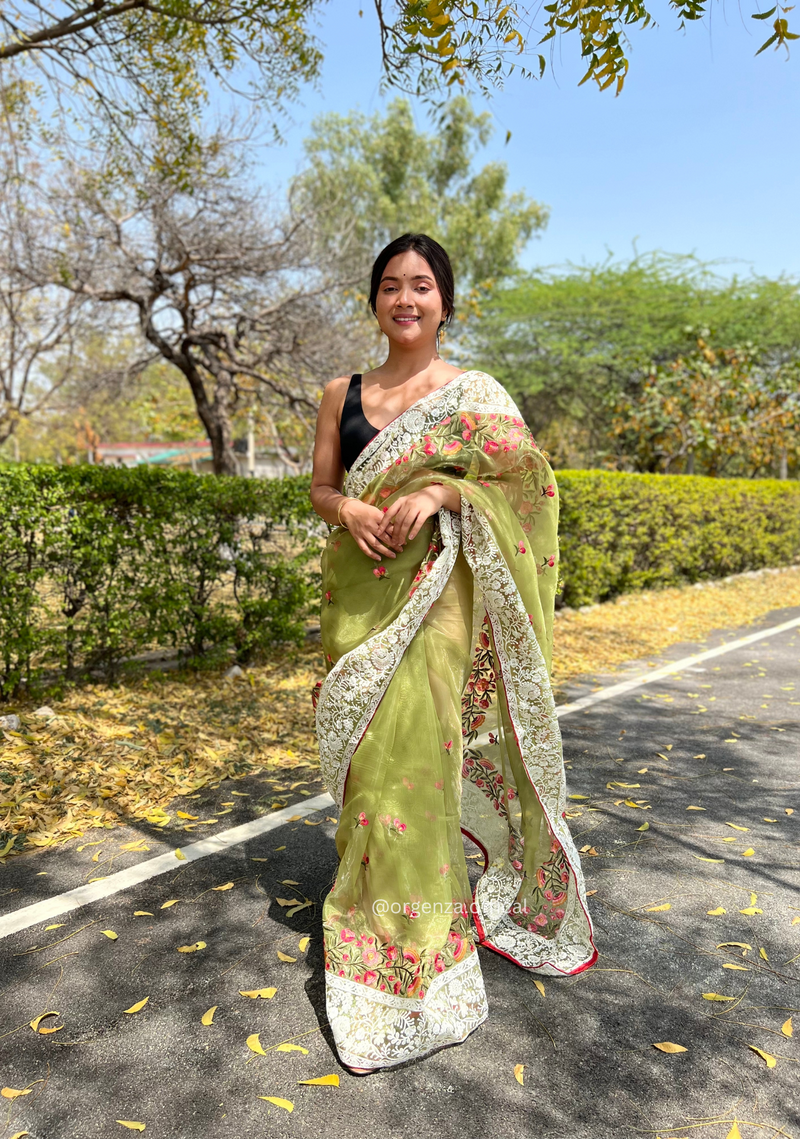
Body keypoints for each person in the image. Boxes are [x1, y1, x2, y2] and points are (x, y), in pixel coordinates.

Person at [310, 233, 596, 1074]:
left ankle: (414, 933)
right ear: (373, 300)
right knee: (369, 763)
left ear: (445, 302)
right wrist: (347, 512)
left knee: (415, 757)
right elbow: (323, 486)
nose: (406, 298)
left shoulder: (471, 396)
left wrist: (442, 489)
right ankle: (378, 899)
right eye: (391, 285)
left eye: (422, 285)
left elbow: (528, 483)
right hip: (358, 594)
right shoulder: (341, 392)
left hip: (438, 596)